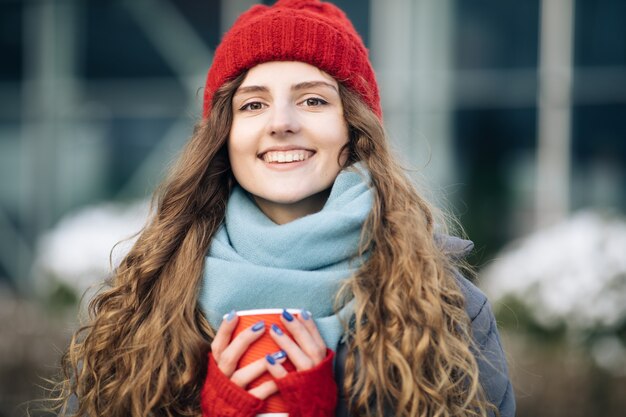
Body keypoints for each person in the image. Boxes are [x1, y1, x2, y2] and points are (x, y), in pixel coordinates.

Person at [56, 1, 515, 416]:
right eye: (253, 104)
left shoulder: (445, 304)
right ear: (223, 134)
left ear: (354, 129)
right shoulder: (146, 293)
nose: (281, 123)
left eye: (313, 100)